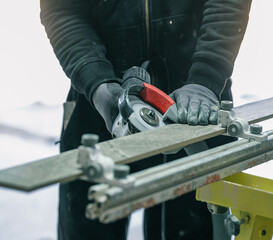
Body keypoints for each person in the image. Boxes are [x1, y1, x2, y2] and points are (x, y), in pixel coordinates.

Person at [40, 0, 252, 239]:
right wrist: (97, 85)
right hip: (98, 104)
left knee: (192, 230)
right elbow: (62, 9)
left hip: (195, 107)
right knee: (89, 225)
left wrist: (206, 77)